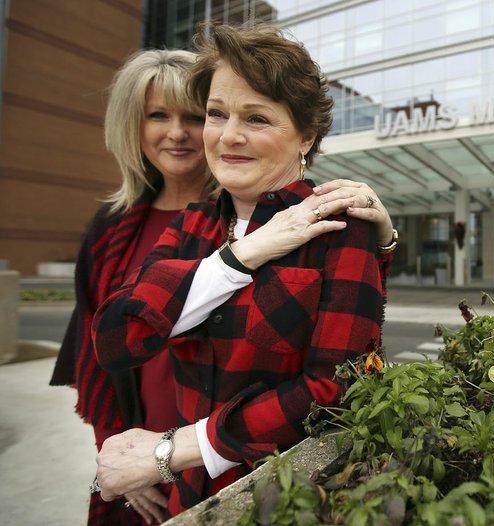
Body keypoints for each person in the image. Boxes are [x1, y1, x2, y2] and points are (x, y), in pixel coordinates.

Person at [50, 48, 396, 525]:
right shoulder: (193, 225)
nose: (228, 136)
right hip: (186, 494)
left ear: (306, 136)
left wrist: (174, 449)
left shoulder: (339, 224)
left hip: (280, 491)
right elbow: (114, 339)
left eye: (256, 118)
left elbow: (336, 390)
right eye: (216, 114)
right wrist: (239, 257)